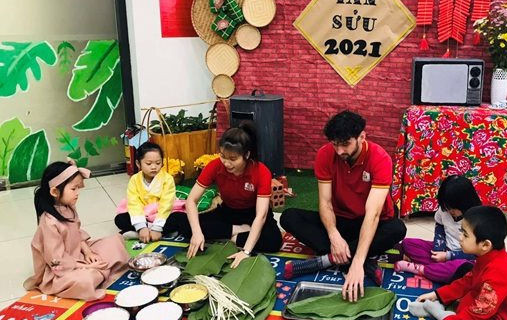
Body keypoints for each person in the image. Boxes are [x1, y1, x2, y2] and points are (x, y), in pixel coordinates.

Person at [281, 110, 406, 301]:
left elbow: (373, 214)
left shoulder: (380, 158)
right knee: (289, 217)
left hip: (372, 222)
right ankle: (360, 258)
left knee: (397, 229)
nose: (339, 151)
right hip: (340, 220)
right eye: (335, 144)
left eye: (345, 144)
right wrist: (334, 235)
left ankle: (328, 260)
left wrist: (357, 262)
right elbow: (325, 203)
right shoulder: (325, 154)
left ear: (361, 137)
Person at [181, 121, 283, 268]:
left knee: (273, 241)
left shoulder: (261, 171)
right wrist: (197, 233)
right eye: (223, 156)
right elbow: (191, 200)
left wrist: (246, 251)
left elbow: (261, 215)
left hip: (253, 213)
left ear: (246, 155)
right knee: (185, 225)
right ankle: (236, 231)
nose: (226, 163)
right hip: (228, 212)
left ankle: (233, 236)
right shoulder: (215, 165)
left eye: (233, 159)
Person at [24, 162, 129, 300]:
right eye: (73, 189)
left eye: (78, 188)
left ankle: (99, 271)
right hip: (62, 268)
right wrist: (87, 267)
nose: (77, 193)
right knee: (86, 280)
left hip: (78, 253)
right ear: (55, 192)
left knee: (115, 241)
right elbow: (56, 260)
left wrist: (88, 252)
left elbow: (77, 233)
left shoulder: (68, 207)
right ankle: (98, 273)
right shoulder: (49, 222)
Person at [395, 175, 481, 283]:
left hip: (463, 257)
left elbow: (476, 253)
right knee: (407, 244)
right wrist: (438, 248)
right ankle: (437, 269)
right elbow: (439, 226)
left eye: (453, 208)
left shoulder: (477, 218)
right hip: (444, 250)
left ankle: (421, 269)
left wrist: (449, 256)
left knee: (463, 268)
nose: (450, 211)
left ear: (465, 203)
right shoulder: (444, 210)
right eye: (446, 207)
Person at [114, 142, 187, 243]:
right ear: (138, 163)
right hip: (143, 214)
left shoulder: (167, 179)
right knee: (120, 219)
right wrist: (141, 227)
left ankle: (151, 232)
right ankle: (151, 232)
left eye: (158, 163)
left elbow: (166, 204)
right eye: (148, 164)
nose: (153, 167)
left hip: (162, 214)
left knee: (180, 218)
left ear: (162, 163)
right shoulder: (134, 179)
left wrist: (157, 227)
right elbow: (134, 203)